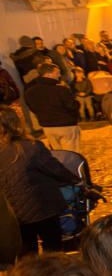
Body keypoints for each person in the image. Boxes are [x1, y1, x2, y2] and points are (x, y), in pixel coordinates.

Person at [0, 106, 80, 255]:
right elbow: (55, 169)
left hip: (12, 213)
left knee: (27, 250)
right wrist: (75, 180)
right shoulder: (30, 147)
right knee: (52, 246)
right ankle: (52, 273)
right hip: (42, 208)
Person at [24, 62, 81, 152]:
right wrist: (77, 104)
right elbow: (72, 106)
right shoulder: (60, 90)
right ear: (48, 74)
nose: (59, 76)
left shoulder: (30, 92)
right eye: (57, 73)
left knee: (58, 153)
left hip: (47, 127)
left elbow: (32, 108)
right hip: (66, 126)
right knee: (72, 154)